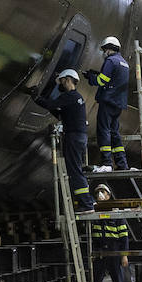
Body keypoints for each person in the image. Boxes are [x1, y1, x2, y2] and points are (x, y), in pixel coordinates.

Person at [32, 69, 93, 211]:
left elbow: (51, 105)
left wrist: (36, 97)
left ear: (67, 80)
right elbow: (60, 113)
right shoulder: (77, 98)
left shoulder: (70, 96)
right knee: (76, 169)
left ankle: (86, 204)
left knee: (74, 170)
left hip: (73, 137)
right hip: (79, 137)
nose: (60, 84)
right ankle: (87, 202)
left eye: (61, 80)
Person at [85, 36, 130, 171]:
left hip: (108, 101)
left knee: (103, 131)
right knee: (114, 133)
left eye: (104, 50)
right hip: (118, 103)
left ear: (109, 49)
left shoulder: (110, 61)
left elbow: (102, 81)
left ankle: (106, 163)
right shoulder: (124, 63)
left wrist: (91, 77)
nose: (104, 53)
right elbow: (114, 79)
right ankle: (122, 164)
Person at [91, 212, 130, 282]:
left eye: (103, 193)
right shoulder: (96, 218)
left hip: (114, 254)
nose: (100, 195)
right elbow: (92, 237)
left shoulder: (117, 217)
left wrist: (124, 255)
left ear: (108, 195)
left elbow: (124, 238)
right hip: (100, 254)